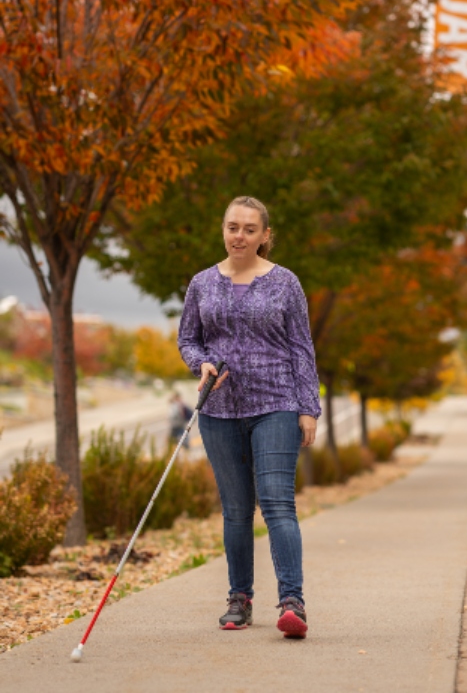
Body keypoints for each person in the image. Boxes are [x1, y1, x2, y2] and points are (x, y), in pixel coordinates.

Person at [178, 195, 320, 639]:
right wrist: (199, 363)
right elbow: (188, 339)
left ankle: (292, 601)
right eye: (232, 227)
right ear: (224, 230)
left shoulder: (285, 283)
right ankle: (239, 598)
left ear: (264, 235)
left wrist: (307, 407)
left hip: (275, 403)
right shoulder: (201, 283)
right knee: (237, 510)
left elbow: (301, 347)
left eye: (249, 229)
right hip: (218, 410)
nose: (239, 235)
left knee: (277, 502)